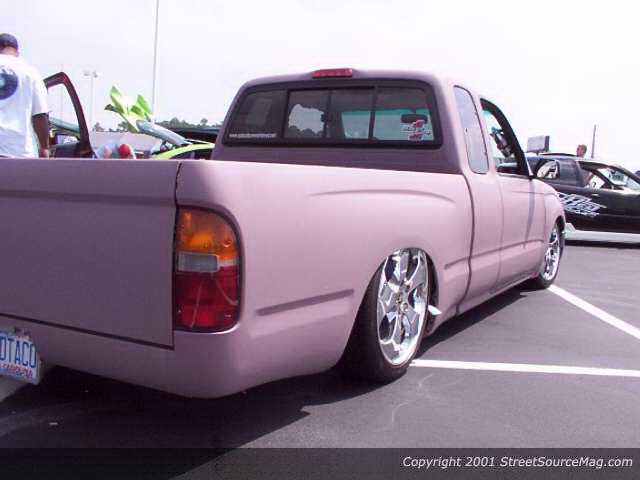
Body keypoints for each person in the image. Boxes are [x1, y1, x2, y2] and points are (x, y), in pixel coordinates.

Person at [0, 33, 50, 158]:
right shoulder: (30, 72)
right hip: (19, 152)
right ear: (17, 52)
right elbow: (40, 114)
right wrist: (44, 148)